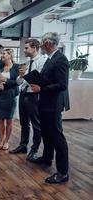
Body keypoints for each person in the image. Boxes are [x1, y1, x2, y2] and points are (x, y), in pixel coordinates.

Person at [30, 32, 70, 184]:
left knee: (57, 136)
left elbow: (62, 85)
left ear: (48, 43)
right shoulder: (50, 59)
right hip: (45, 103)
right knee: (46, 133)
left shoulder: (61, 60)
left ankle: (63, 172)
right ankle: (47, 158)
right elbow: (47, 79)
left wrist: (41, 89)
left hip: (53, 104)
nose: (40, 45)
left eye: (41, 42)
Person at [9, 39, 46, 161]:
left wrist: (27, 76)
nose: (24, 50)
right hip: (23, 94)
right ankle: (23, 145)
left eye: (26, 48)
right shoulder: (26, 63)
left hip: (34, 96)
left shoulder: (42, 62)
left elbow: (39, 79)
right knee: (24, 122)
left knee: (36, 124)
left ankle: (34, 150)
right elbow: (19, 82)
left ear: (34, 48)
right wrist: (21, 76)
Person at [0, 49, 19, 150]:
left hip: (11, 96)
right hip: (0, 96)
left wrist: (6, 81)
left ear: (10, 55)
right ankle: (1, 139)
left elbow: (18, 82)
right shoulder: (0, 67)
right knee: (0, 119)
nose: (2, 56)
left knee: (9, 120)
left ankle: (6, 141)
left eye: (4, 54)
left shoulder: (16, 67)